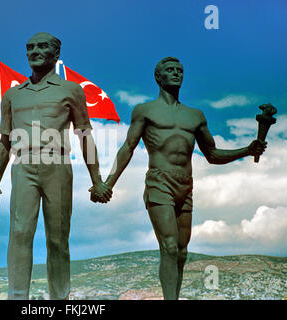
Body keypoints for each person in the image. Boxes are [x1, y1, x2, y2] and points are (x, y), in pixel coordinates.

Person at [104, 57, 267, 300]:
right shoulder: (145, 110)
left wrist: (247, 149)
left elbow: (212, 154)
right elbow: (127, 148)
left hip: (186, 185)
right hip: (160, 182)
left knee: (181, 252)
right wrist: (108, 184)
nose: (176, 73)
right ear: (158, 77)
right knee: (168, 247)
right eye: (170, 70)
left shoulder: (195, 116)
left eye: (180, 70)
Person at [0, 32, 112, 300]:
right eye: (30, 47)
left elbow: (84, 135)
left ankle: (59, 300)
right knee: (19, 234)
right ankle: (17, 298)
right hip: (23, 166)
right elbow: (4, 142)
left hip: (57, 163)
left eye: (42, 46)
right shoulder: (12, 95)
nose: (34, 51)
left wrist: (96, 179)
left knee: (57, 238)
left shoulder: (71, 90)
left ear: (56, 53)